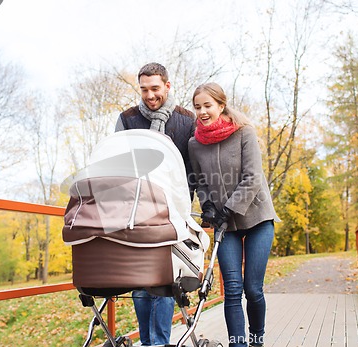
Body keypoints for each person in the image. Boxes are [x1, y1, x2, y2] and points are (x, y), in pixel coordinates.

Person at [188, 82, 280, 347]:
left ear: (220, 105)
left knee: (252, 289)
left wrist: (228, 208)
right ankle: (238, 344)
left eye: (208, 105)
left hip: (257, 219)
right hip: (223, 225)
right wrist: (207, 206)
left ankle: (257, 339)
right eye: (198, 107)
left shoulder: (244, 133)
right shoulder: (195, 144)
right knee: (232, 289)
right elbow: (200, 181)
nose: (203, 112)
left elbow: (252, 178)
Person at [115, 62, 196, 346]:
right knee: (140, 280)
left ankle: (160, 342)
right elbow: (118, 164)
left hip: (173, 210)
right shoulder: (127, 119)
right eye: (144, 89)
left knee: (165, 278)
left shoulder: (186, 121)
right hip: (136, 210)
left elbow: (194, 167)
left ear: (167, 86)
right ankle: (148, 341)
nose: (149, 95)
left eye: (155, 89)